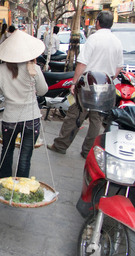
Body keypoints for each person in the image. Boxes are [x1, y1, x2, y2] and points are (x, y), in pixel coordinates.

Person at [47, 11, 123, 159]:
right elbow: (119, 66)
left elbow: (82, 63)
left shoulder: (94, 39)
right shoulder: (117, 41)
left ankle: (61, 145)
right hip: (105, 85)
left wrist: (74, 82)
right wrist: (109, 78)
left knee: (75, 115)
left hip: (88, 83)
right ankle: (88, 151)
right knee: (96, 120)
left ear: (98, 23)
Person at [0, 30, 48, 178]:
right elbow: (43, 91)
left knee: (7, 152)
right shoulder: (34, 69)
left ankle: (4, 183)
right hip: (31, 119)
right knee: (25, 157)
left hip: (10, 120)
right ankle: (21, 185)